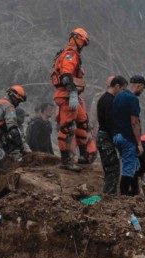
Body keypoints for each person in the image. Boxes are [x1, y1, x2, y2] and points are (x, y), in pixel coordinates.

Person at [50, 27, 91, 171]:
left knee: (83, 122)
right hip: (67, 95)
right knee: (67, 127)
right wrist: (73, 93)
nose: (82, 45)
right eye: (82, 41)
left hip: (70, 94)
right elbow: (66, 76)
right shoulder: (70, 54)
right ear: (75, 38)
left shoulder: (66, 54)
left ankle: (84, 155)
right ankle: (66, 160)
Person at [113, 75, 145, 196]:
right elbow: (134, 121)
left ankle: (134, 193)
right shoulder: (133, 99)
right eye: (143, 88)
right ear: (140, 85)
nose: (142, 91)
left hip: (116, 136)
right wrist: (139, 143)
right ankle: (123, 197)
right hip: (127, 138)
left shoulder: (118, 96)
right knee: (128, 169)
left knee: (134, 165)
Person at [97, 75, 128, 195]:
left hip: (105, 137)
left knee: (111, 168)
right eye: (122, 89)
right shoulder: (109, 101)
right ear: (117, 86)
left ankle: (109, 195)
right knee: (112, 169)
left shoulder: (106, 99)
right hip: (106, 138)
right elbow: (111, 124)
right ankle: (109, 197)